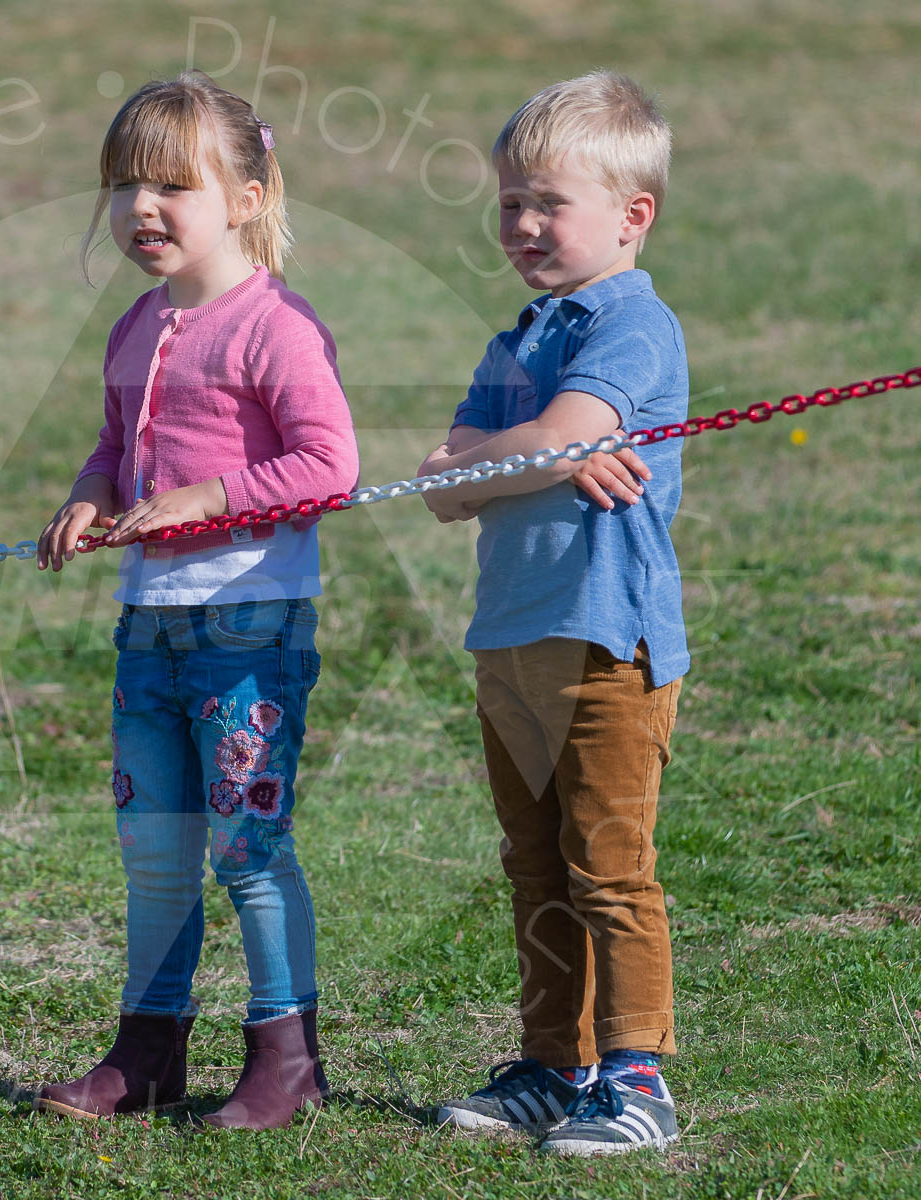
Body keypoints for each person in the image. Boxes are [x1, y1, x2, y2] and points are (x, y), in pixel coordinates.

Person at [33, 72, 359, 1130]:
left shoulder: (275, 327)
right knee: (157, 849)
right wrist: (91, 497)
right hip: (149, 631)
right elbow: (109, 448)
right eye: (126, 183)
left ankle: (285, 1057)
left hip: (247, 630)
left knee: (246, 848)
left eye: (173, 183)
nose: (142, 207)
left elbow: (331, 464)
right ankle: (148, 1051)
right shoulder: (135, 323)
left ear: (249, 196)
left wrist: (209, 496)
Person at [418, 72, 688, 1155]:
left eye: (549, 203)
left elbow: (552, 437)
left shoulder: (632, 323)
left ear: (632, 216)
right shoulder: (521, 337)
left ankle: (636, 1080)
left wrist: (511, 454)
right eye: (509, 204)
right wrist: (521, 456)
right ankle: (553, 1063)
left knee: (608, 868)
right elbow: (436, 486)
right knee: (532, 866)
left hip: (603, 641)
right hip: (510, 641)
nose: (523, 225)